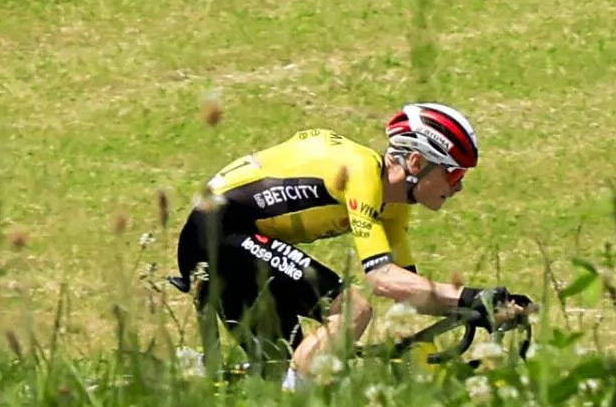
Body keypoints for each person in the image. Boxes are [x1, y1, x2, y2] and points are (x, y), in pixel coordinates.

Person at [175, 103, 529, 383]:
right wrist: (470, 297)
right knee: (352, 311)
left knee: (282, 369)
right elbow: (382, 280)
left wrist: (489, 308)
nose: (459, 186)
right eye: (453, 174)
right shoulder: (362, 172)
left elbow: (409, 294)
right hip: (215, 231)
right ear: (417, 162)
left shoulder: (393, 207)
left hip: (235, 242)